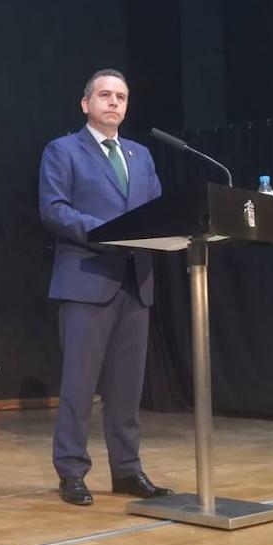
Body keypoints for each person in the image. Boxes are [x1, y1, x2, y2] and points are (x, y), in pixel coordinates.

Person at [38, 69, 175, 506]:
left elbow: (156, 211)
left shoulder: (141, 155)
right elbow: (54, 210)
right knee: (79, 386)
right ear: (85, 104)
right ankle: (72, 472)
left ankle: (128, 471)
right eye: (104, 95)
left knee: (127, 388)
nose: (113, 102)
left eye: (120, 97)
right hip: (86, 281)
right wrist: (109, 231)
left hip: (137, 283)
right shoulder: (63, 150)